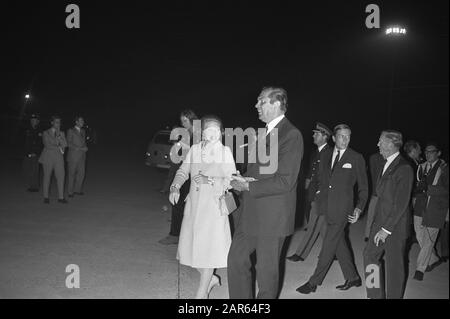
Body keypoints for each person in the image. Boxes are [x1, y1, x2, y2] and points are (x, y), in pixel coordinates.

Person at [228, 87, 304, 299]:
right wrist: (241, 178)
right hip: (251, 212)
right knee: (236, 260)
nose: (256, 105)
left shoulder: (291, 135)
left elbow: (285, 181)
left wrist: (249, 186)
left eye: (261, 101)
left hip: (273, 217)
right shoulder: (265, 133)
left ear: (276, 104)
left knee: (266, 274)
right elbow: (259, 172)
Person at [169, 115, 236, 299]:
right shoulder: (195, 150)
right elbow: (183, 170)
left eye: (216, 130)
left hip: (213, 207)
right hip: (194, 206)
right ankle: (211, 279)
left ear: (221, 132)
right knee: (191, 249)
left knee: (208, 250)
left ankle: (202, 293)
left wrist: (210, 180)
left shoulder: (225, 152)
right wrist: (175, 186)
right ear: (202, 132)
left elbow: (232, 181)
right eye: (208, 130)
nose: (211, 133)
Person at [297, 124, 368, 294]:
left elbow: (364, 187)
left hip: (343, 209)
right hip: (324, 206)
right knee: (339, 242)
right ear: (334, 138)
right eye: (342, 136)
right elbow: (321, 180)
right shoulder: (327, 155)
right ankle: (353, 277)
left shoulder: (356, 157)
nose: (346, 140)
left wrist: (359, 208)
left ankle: (314, 282)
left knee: (329, 243)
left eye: (348, 136)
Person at [363, 130, 413, 299]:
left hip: (394, 227)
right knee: (369, 256)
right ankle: (374, 294)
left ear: (391, 144)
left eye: (380, 142)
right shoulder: (385, 163)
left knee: (394, 267)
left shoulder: (404, 168)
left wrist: (386, 229)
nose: (378, 145)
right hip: (380, 222)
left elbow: (401, 204)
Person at [287, 122, 332, 262]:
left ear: (324, 137)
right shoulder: (317, 152)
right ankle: (334, 250)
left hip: (321, 196)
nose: (313, 135)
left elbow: (328, 176)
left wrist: (319, 192)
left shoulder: (329, 153)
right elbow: (312, 174)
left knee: (312, 224)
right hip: (313, 192)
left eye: (316, 134)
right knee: (324, 227)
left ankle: (300, 253)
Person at [159, 109, 199, 245]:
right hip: (184, 170)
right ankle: (175, 234)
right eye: (182, 121)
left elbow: (200, 152)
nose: (183, 123)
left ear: (192, 119)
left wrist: (185, 145)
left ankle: (182, 236)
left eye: (185, 120)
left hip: (194, 174)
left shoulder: (199, 133)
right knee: (177, 203)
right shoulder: (187, 133)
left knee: (188, 205)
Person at [412, 142, 449, 281]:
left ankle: (420, 269)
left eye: (431, 151)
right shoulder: (421, 167)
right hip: (420, 207)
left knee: (429, 240)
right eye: (426, 151)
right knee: (420, 236)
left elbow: (447, 190)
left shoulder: (445, 169)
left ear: (438, 153)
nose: (428, 154)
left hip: (436, 208)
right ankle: (433, 259)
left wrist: (429, 189)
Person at [38, 115, 68, 204]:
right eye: (56, 122)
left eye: (59, 122)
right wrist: (58, 142)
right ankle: (46, 197)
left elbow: (65, 145)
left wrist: (59, 142)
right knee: (47, 177)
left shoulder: (62, 133)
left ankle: (61, 197)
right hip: (48, 157)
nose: (58, 124)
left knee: (61, 176)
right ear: (52, 123)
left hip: (59, 157)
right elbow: (47, 145)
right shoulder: (46, 132)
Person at [364, 152, 386, 241]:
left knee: (380, 215)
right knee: (371, 214)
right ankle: (367, 235)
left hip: (384, 193)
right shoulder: (375, 158)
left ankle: (374, 235)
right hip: (376, 192)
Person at [67, 116, 88, 197]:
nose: (82, 122)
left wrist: (85, 147)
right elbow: (68, 143)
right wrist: (78, 148)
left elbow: (83, 142)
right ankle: (70, 192)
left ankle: (77, 190)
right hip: (73, 156)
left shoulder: (83, 131)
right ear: (76, 122)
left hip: (82, 156)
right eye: (81, 120)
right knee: (72, 174)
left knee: (81, 174)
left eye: (83, 120)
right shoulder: (71, 130)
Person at [23, 114, 43, 192]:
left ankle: (35, 187)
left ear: (38, 121)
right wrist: (26, 153)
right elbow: (24, 142)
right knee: (27, 169)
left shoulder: (40, 130)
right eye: (32, 120)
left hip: (35, 153)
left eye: (35, 120)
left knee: (35, 170)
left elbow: (40, 143)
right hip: (27, 153)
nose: (33, 121)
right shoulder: (27, 130)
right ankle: (31, 184)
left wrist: (36, 152)